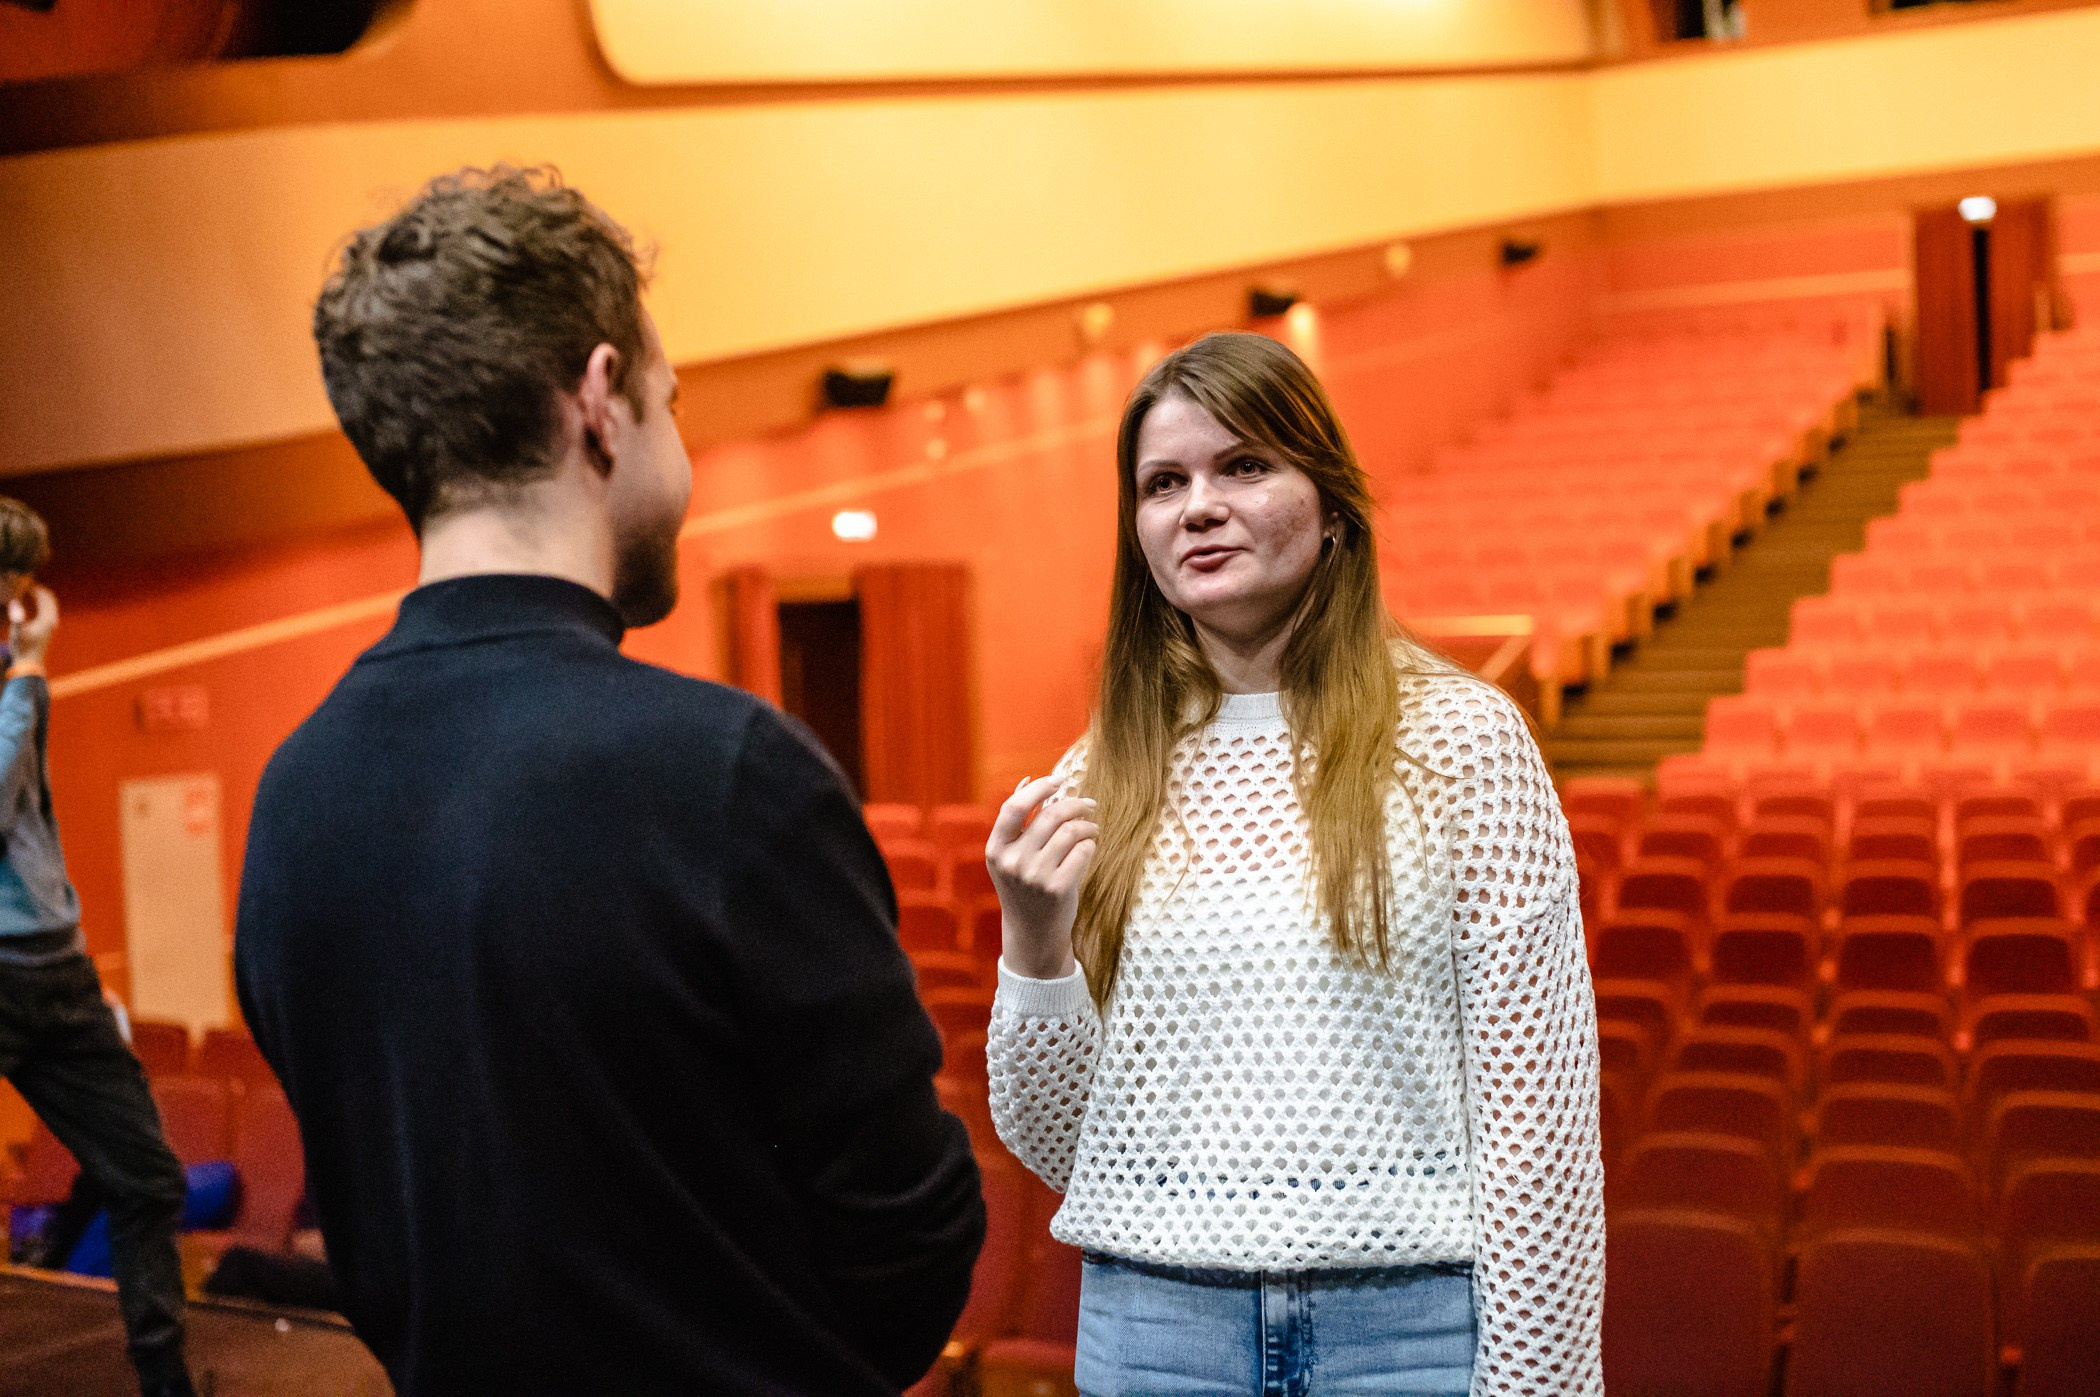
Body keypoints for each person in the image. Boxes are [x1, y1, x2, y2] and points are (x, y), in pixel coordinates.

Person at [235, 166, 984, 1396]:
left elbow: (377, 1247)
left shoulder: (293, 792)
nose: (679, 453)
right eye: (670, 401)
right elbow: (911, 1258)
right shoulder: (731, 773)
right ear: (599, 402)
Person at [984, 332, 1604, 1396]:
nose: (1198, 506)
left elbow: (1537, 1131)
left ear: (1331, 503)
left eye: (1245, 466)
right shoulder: (1100, 770)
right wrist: (1035, 948)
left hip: (1404, 1333)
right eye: (1163, 482)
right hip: (1155, 1331)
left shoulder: (1464, 743)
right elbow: (1061, 1145)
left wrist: (1539, 1384)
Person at [0, 499, 198, 1397]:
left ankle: (163, 1383)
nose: (26, 601)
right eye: (18, 583)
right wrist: (32, 672)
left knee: (149, 1177)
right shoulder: (17, 684)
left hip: (59, 974)